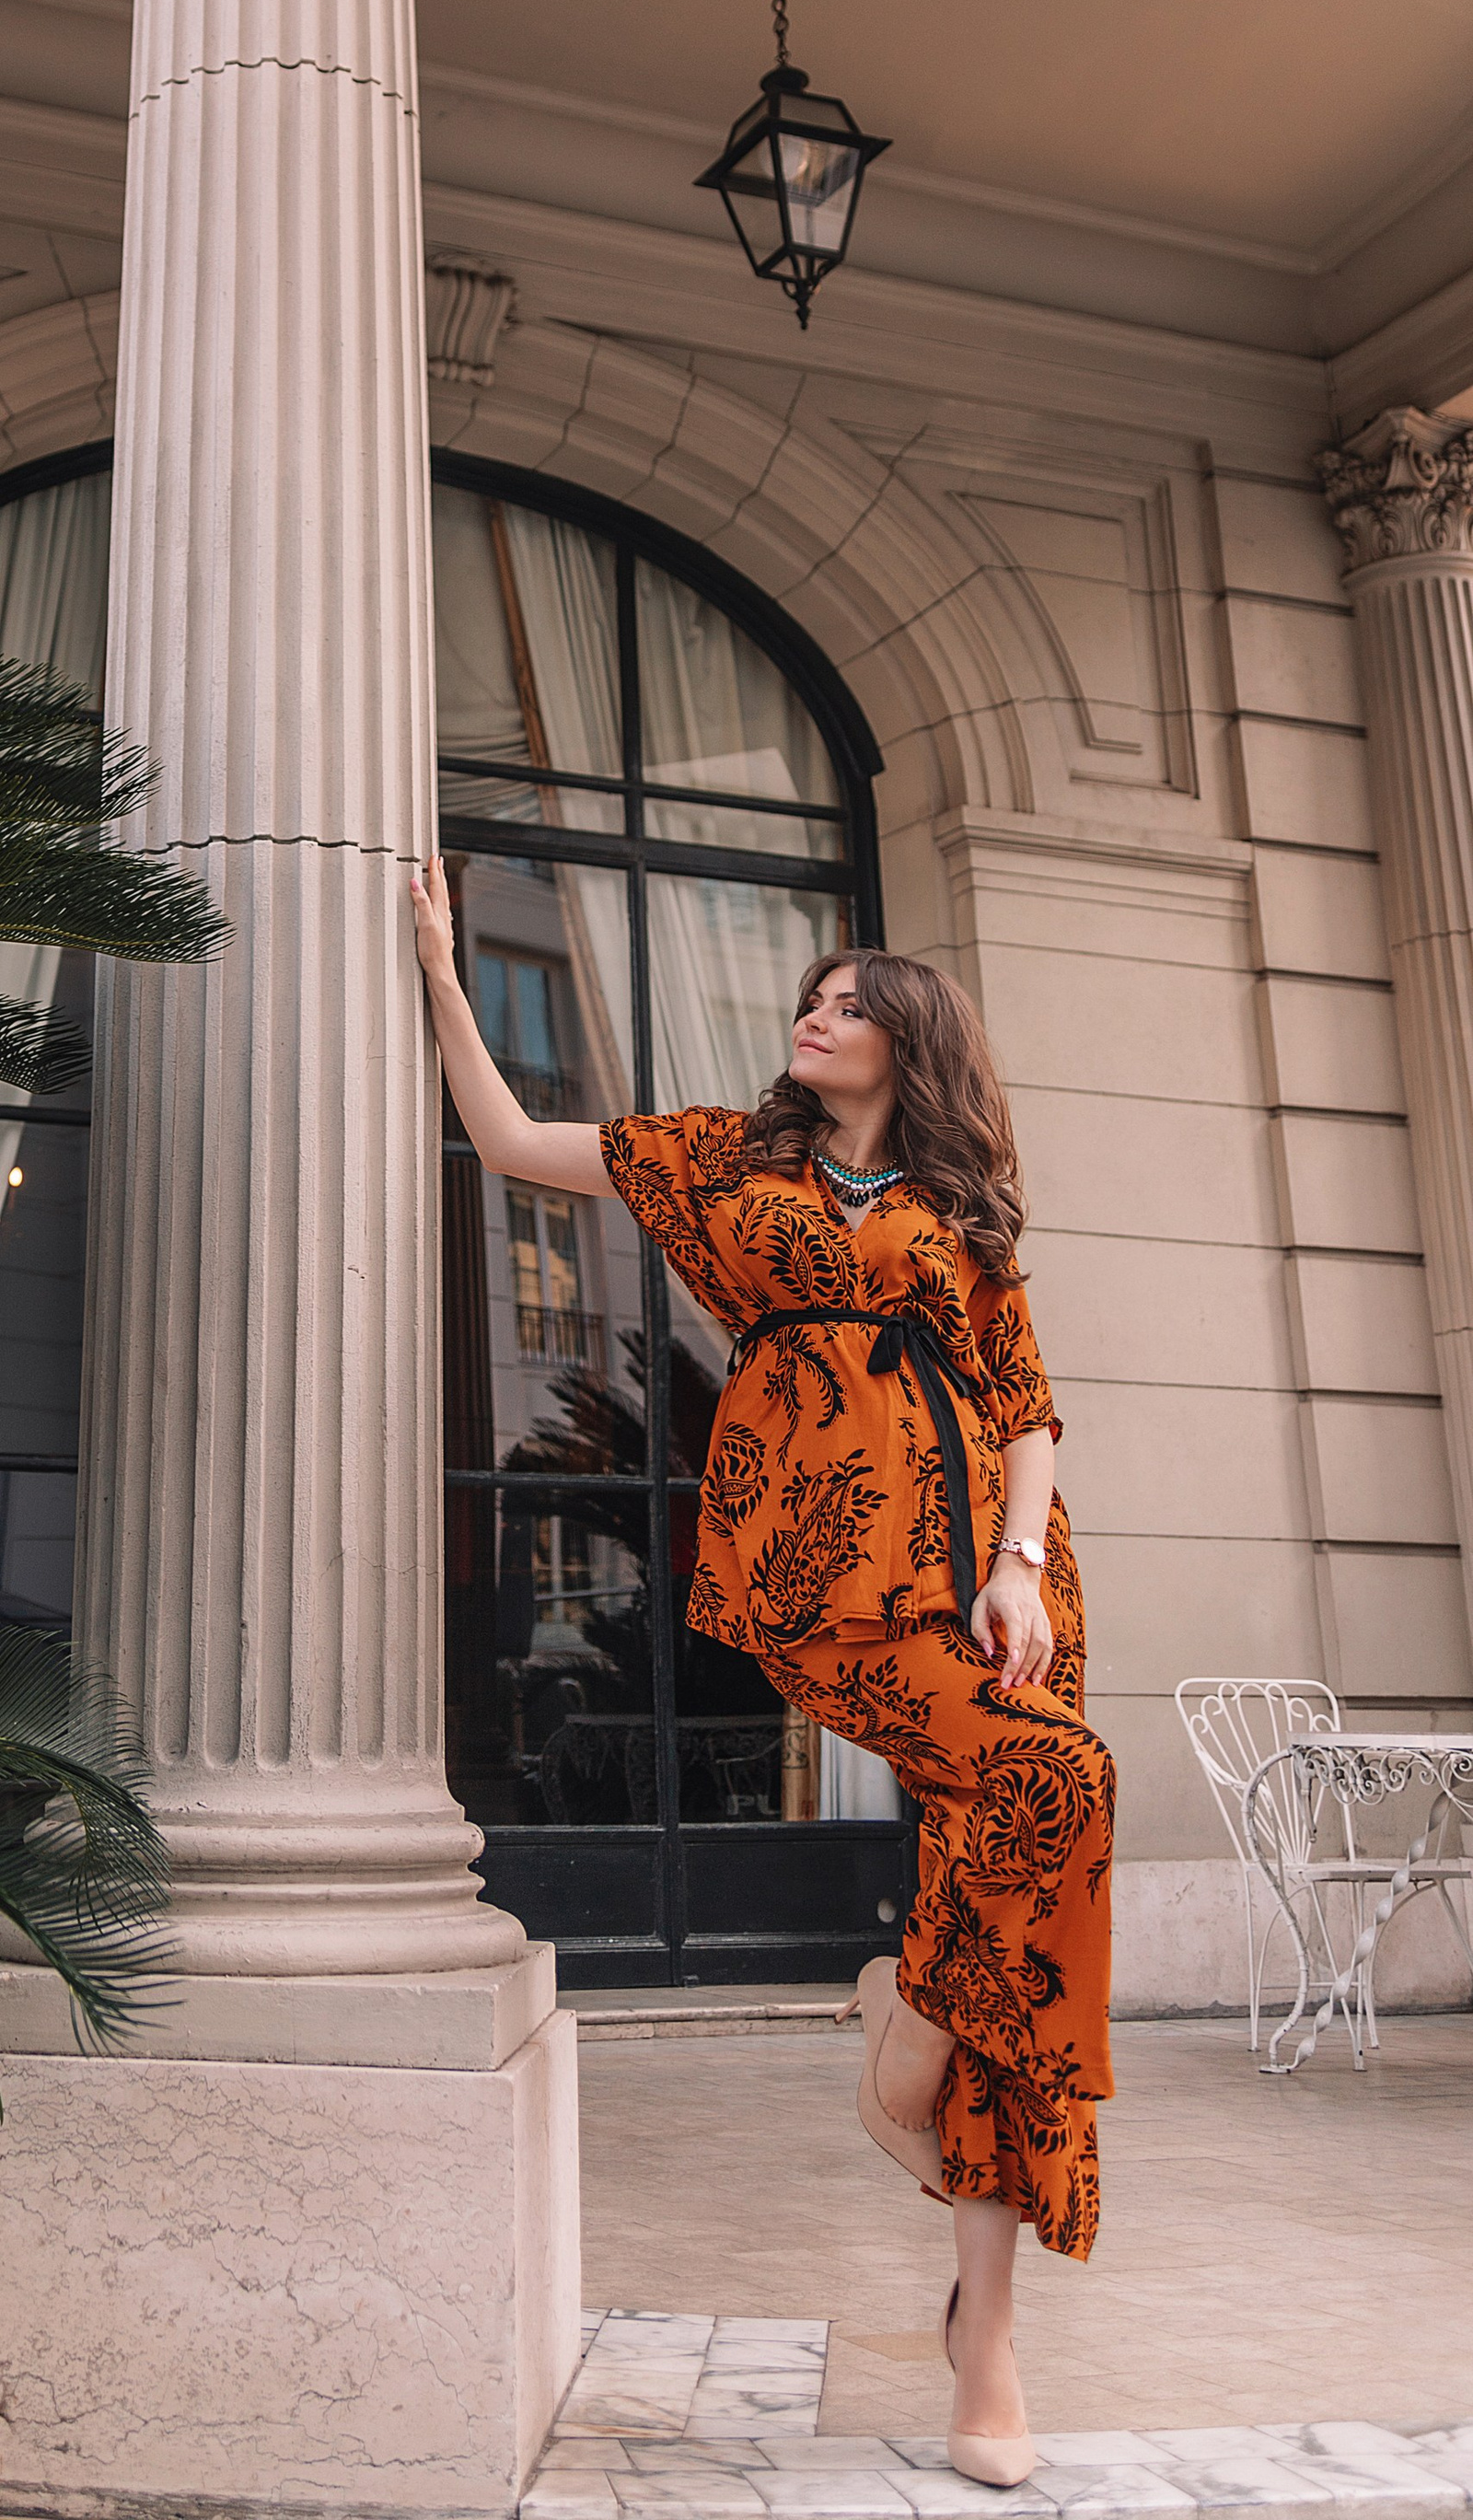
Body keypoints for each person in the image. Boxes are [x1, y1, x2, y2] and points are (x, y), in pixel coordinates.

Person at [411, 866, 1114, 2487]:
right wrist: (448, 975)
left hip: (990, 1577)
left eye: (855, 1001)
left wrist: (1020, 1573)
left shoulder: (962, 1217)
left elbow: (1027, 1412)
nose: (820, 1008)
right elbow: (518, 1144)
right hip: (813, 1555)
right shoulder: (724, 1157)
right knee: (1045, 1795)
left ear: (909, 1041)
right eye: (816, 991)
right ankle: (915, 2017)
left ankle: (986, 2334)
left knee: (1040, 1852)